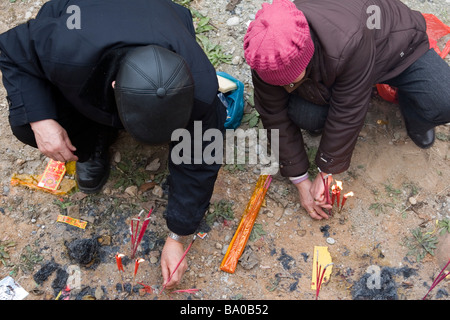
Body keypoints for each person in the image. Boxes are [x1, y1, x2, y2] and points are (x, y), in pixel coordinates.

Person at [0, 0, 226, 289]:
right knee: (24, 123)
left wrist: (178, 236)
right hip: (83, 19)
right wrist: (40, 118)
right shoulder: (64, 48)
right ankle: (92, 141)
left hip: (158, 15)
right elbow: (12, 50)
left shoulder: (202, 89)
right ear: (115, 87)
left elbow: (200, 163)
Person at [244, 0, 450, 220]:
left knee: (443, 101)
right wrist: (300, 179)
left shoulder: (347, 40)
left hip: (394, 48)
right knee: (307, 116)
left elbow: (348, 110)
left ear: (306, 57)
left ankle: (411, 108)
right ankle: (355, 87)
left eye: (289, 81)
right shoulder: (265, 54)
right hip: (340, 65)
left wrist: (325, 171)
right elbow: (273, 113)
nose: (285, 87)